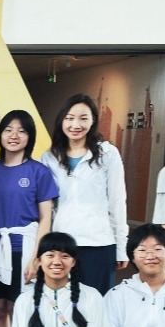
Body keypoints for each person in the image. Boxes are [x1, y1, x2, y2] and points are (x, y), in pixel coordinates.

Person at [0, 110, 58, 327]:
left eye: (21, 131)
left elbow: (45, 218)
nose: (14, 136)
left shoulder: (39, 172)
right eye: (8, 130)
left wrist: (37, 257)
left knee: (19, 309)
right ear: (0, 134)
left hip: (23, 249)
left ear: (30, 137)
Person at [40, 93, 127, 295]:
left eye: (83, 118)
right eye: (70, 118)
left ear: (93, 120)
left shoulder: (107, 153)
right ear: (61, 120)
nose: (75, 125)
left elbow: (117, 201)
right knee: (61, 302)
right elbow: (46, 208)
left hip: (98, 243)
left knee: (97, 303)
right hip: (61, 244)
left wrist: (121, 246)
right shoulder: (49, 157)